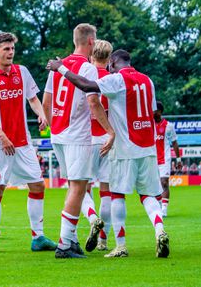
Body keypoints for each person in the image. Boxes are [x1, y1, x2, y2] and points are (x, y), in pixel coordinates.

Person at [47, 49, 169, 259]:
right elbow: (153, 112)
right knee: (148, 195)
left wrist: (62, 68)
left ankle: (120, 245)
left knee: (116, 194)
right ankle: (159, 230)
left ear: (112, 62)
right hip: (148, 147)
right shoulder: (148, 81)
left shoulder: (116, 79)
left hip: (123, 146)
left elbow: (87, 87)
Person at [0, 32, 57, 254]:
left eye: (12, 49)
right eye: (6, 49)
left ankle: (38, 237)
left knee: (38, 185)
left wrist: (41, 114)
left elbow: (32, 98)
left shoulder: (22, 72)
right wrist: (2, 136)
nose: (11, 52)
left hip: (22, 142)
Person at [43, 24, 115, 258]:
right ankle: (65, 245)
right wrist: (110, 131)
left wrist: (53, 125)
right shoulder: (88, 68)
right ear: (91, 42)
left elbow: (47, 101)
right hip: (77, 135)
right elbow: (94, 103)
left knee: (75, 186)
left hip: (59, 134)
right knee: (78, 187)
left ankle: (71, 239)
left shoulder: (58, 65)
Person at [84, 39, 114, 251]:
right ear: (109, 59)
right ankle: (104, 240)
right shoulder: (114, 80)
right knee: (107, 191)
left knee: (81, 188)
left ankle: (93, 219)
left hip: (86, 139)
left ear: (90, 57)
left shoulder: (84, 78)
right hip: (108, 139)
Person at [153, 102, 181, 216]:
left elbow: (174, 142)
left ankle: (164, 209)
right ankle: (158, 205)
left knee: (164, 182)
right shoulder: (148, 124)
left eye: (154, 110)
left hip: (164, 158)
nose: (151, 112)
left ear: (159, 112)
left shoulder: (168, 126)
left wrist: (178, 160)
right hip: (151, 159)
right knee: (155, 184)